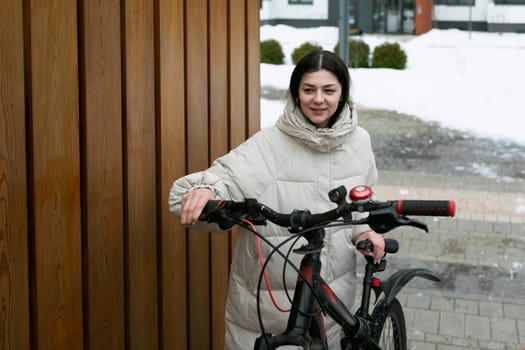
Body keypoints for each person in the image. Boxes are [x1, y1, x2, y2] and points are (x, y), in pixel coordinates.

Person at [169, 50, 385, 349]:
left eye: (328, 90)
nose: (318, 99)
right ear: (296, 93)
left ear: (343, 94)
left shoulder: (359, 141)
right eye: (308, 89)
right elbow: (225, 178)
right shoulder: (269, 144)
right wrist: (206, 191)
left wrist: (365, 231)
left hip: (336, 298)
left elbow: (364, 200)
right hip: (270, 306)